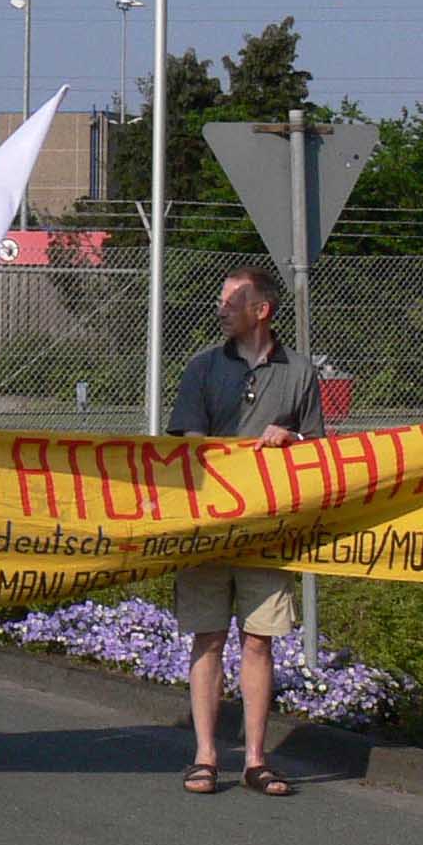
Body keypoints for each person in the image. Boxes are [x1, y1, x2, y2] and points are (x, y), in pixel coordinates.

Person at [162, 265, 324, 800]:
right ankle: (206, 755)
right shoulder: (203, 368)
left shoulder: (300, 372)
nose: (221, 307)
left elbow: (322, 451)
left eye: (233, 299)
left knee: (260, 642)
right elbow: (186, 444)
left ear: (263, 310)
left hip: (268, 530)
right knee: (208, 637)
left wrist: (293, 437)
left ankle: (257, 758)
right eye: (220, 297)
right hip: (209, 531)